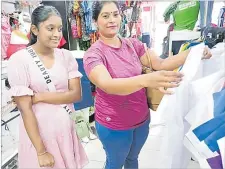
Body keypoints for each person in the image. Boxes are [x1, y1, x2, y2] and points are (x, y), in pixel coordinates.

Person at [83, 1, 212, 169]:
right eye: (105, 16)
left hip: (141, 118)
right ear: (95, 21)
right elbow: (107, 85)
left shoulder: (133, 44)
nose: (112, 20)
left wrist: (193, 52)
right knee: (115, 163)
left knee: (133, 159)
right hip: (113, 123)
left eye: (115, 14)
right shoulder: (93, 54)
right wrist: (146, 80)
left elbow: (160, 63)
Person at [7, 6, 88, 168]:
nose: (57, 34)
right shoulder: (19, 60)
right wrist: (41, 151)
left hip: (66, 131)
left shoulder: (66, 56)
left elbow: (76, 94)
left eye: (59, 29)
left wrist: (40, 96)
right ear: (35, 29)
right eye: (50, 28)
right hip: (40, 137)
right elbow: (25, 109)